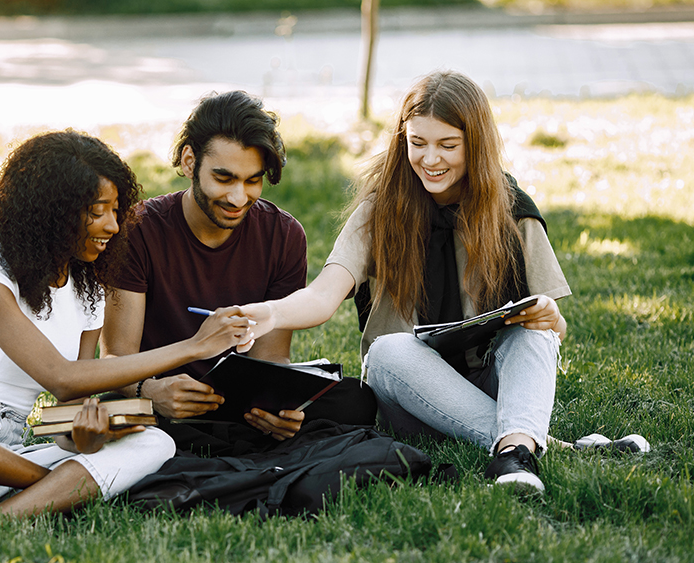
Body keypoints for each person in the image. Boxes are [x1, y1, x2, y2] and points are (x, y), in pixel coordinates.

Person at [0, 130, 254, 542]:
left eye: (116, 210)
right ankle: (47, 491)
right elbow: (59, 376)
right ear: (53, 212)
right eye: (98, 211)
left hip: (9, 452)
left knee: (155, 444)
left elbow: (66, 412)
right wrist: (194, 346)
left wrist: (85, 435)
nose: (113, 225)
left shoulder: (88, 292)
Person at [238, 70, 571, 492]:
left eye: (448, 145)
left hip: (485, 380)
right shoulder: (380, 211)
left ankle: (513, 453)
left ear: (477, 145)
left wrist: (550, 316)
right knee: (388, 349)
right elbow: (323, 296)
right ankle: (531, 442)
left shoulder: (512, 211)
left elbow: (554, 334)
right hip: (405, 390)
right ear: (402, 140)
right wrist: (266, 314)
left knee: (533, 333)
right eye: (417, 143)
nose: (430, 159)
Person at [100, 90, 375, 457]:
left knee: (355, 403)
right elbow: (115, 359)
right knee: (114, 416)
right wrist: (149, 391)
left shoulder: (283, 235)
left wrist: (279, 408)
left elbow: (272, 359)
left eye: (252, 180)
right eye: (224, 178)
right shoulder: (138, 230)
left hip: (235, 406)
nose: (238, 197)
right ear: (188, 161)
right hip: (161, 400)